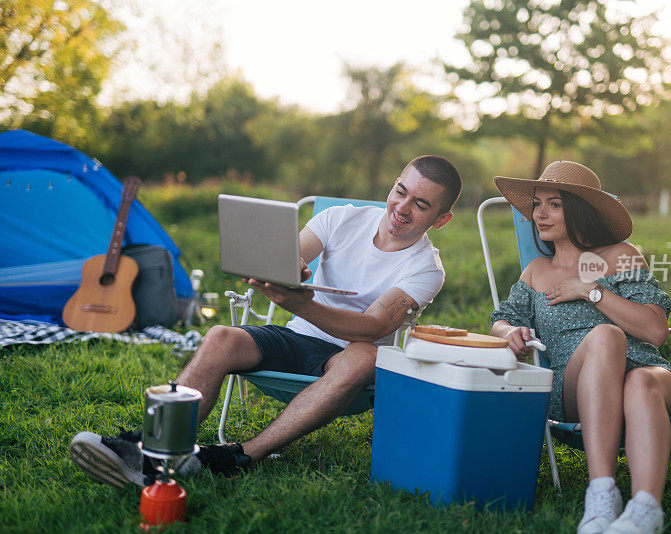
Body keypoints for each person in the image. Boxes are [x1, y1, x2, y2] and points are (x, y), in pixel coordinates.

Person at [69, 155, 462, 487]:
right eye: (400, 191)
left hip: (347, 363)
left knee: (364, 355)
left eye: (421, 205)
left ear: (441, 219)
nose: (402, 207)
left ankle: (237, 457)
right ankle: (152, 452)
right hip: (297, 340)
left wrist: (299, 303)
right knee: (222, 336)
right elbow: (292, 257)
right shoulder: (342, 218)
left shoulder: (426, 269)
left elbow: (375, 328)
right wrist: (285, 270)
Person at [490, 161, 671, 534]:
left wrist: (589, 289)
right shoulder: (536, 270)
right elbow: (502, 317)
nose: (540, 214)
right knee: (606, 336)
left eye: (554, 204)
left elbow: (656, 331)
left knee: (639, 382)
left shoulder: (621, 254)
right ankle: (602, 494)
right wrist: (509, 331)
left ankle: (646, 510)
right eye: (537, 203)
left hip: (645, 371)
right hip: (575, 384)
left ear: (581, 210)